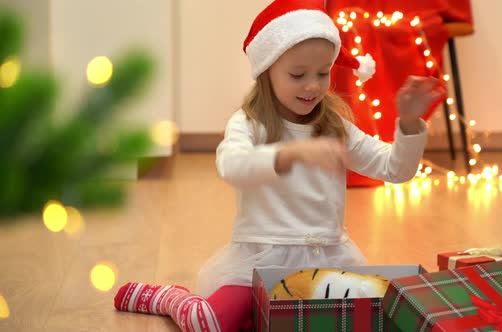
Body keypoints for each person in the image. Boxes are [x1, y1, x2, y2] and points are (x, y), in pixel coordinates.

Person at [113, 0, 445, 331]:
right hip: (259, 263)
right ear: (266, 70)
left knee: (376, 317)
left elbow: (395, 170)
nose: (313, 85)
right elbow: (231, 166)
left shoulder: (336, 127)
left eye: (323, 72)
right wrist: (288, 155)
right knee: (210, 324)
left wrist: (410, 123)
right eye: (298, 74)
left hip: (326, 261)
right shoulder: (249, 123)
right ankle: (169, 297)